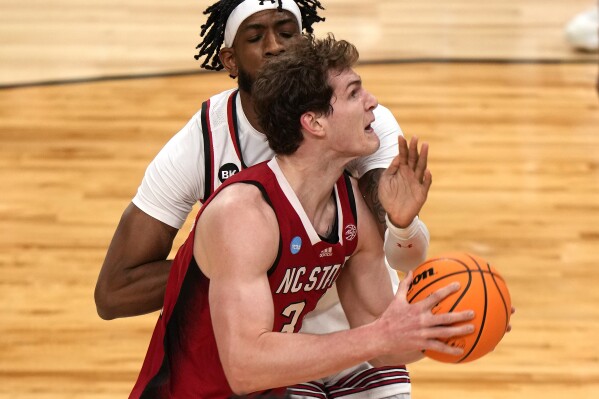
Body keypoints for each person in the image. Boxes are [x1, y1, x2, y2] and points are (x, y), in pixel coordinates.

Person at [95, 0, 430, 397]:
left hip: (286, 356)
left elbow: (388, 333)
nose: (373, 102)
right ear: (314, 121)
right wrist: (219, 264)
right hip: (237, 372)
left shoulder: (351, 196)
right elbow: (247, 367)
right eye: (356, 92)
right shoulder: (239, 208)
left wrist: (458, 319)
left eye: (287, 33)